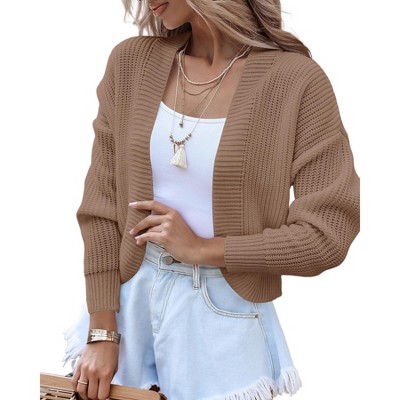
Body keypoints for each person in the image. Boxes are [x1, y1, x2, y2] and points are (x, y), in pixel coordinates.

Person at [63, 0, 360, 399]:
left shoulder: (296, 82)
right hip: (126, 309)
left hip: (224, 319)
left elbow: (328, 233)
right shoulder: (131, 63)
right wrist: (102, 330)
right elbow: (100, 205)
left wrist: (204, 249)